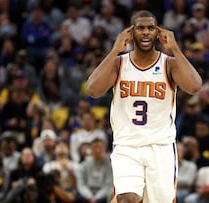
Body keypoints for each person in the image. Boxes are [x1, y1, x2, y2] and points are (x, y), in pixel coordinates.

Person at [86, 10, 202, 203]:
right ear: (130, 33)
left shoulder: (169, 64)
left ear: (158, 32)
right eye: (140, 28)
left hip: (161, 147)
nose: (146, 32)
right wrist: (115, 49)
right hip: (127, 145)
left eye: (150, 28)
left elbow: (195, 86)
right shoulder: (119, 63)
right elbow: (92, 90)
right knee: (127, 199)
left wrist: (175, 49)